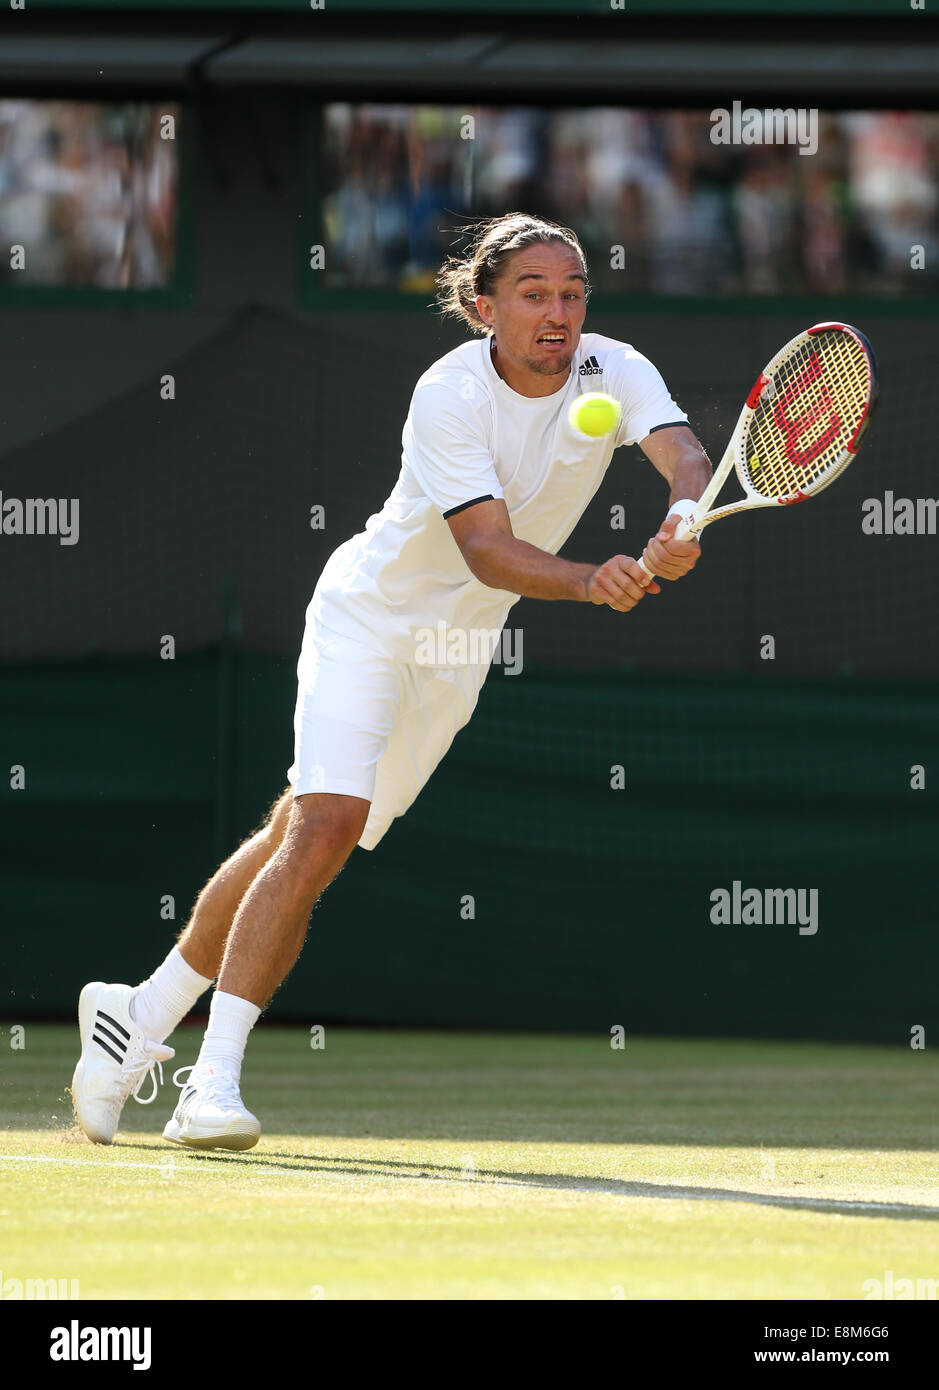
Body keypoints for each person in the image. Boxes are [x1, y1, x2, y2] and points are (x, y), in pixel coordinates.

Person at [70, 212, 711, 1151]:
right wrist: (591, 579)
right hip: (369, 619)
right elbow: (487, 550)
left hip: (457, 653)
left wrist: (685, 517)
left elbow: (685, 456)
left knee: (302, 830)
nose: (557, 312)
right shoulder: (447, 394)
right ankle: (213, 1083)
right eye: (533, 294)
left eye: (571, 293)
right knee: (325, 823)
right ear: (484, 306)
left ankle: (138, 1013)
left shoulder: (614, 368)